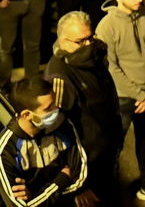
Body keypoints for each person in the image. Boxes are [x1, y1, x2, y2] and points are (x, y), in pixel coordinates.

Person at [94, 0, 145, 202]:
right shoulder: (106, 26)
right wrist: (140, 95)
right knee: (114, 147)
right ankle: (107, 191)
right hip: (123, 97)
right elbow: (111, 67)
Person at [45, 10, 122, 206]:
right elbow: (57, 134)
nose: (88, 45)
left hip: (106, 154)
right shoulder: (59, 76)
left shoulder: (94, 58)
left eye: (90, 38)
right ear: (63, 41)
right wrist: (77, 184)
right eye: (80, 41)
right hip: (87, 165)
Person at [0, 76, 97, 207]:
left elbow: (80, 172)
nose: (56, 109)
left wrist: (36, 196)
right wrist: (61, 180)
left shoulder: (63, 123)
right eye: (48, 108)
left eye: (55, 103)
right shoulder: (5, 151)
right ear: (26, 115)